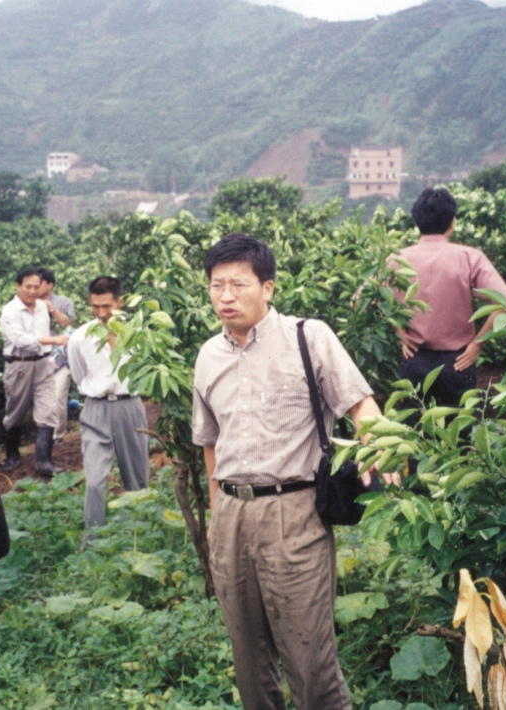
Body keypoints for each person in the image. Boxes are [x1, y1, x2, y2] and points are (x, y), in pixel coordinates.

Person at [191, 233, 401, 710]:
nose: (225, 297)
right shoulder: (208, 356)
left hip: (294, 512)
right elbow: (209, 444)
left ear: (268, 287)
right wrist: (216, 515)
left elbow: (360, 405)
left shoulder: (309, 337)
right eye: (216, 285)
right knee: (248, 659)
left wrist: (385, 451)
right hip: (231, 516)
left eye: (238, 285)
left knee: (310, 661)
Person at [393, 187, 506, 406]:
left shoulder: (397, 259)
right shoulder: (468, 257)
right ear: (452, 222)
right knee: (459, 434)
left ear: (416, 222)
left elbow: (365, 299)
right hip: (457, 363)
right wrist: (477, 345)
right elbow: (504, 304)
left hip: (414, 359)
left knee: (412, 431)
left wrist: (400, 332)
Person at [67, 276, 149, 531]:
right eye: (95, 306)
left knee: (137, 479)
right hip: (95, 409)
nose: (101, 313)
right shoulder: (80, 338)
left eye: (107, 306)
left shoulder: (137, 332)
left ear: (120, 302)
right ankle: (93, 540)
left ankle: (141, 532)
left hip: (130, 407)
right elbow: (80, 376)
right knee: (94, 480)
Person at [0, 267, 69, 473]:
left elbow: (63, 322)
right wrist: (54, 340)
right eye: (27, 286)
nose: (32, 291)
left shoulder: (42, 307)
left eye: (36, 287)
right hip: (19, 365)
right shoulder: (10, 311)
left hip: (43, 363)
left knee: (48, 410)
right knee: (15, 412)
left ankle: (44, 462)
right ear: (18, 286)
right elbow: (21, 340)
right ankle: (12, 457)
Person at [36, 267, 78, 443]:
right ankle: (44, 438)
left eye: (40, 283)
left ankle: (58, 436)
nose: (36, 287)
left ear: (50, 285)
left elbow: (72, 325)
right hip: (38, 359)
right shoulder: (29, 304)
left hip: (61, 359)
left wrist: (52, 309)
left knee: (59, 397)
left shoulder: (64, 302)